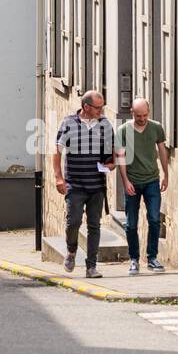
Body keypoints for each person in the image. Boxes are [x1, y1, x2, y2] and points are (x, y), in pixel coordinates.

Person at [53, 90, 116, 278]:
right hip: (75, 184)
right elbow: (57, 151)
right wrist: (58, 177)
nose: (101, 111)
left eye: (102, 107)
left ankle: (91, 266)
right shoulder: (68, 123)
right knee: (73, 222)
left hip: (96, 185)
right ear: (86, 107)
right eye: (98, 107)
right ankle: (71, 251)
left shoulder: (105, 125)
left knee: (94, 225)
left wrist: (111, 164)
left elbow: (112, 155)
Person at [115, 97, 169, 274]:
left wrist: (166, 175)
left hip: (152, 180)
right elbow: (120, 158)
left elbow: (162, 151)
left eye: (145, 115)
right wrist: (125, 181)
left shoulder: (156, 127)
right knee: (131, 224)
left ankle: (152, 258)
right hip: (133, 181)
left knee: (154, 220)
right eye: (139, 116)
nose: (142, 119)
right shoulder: (123, 131)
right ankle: (134, 259)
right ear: (132, 113)